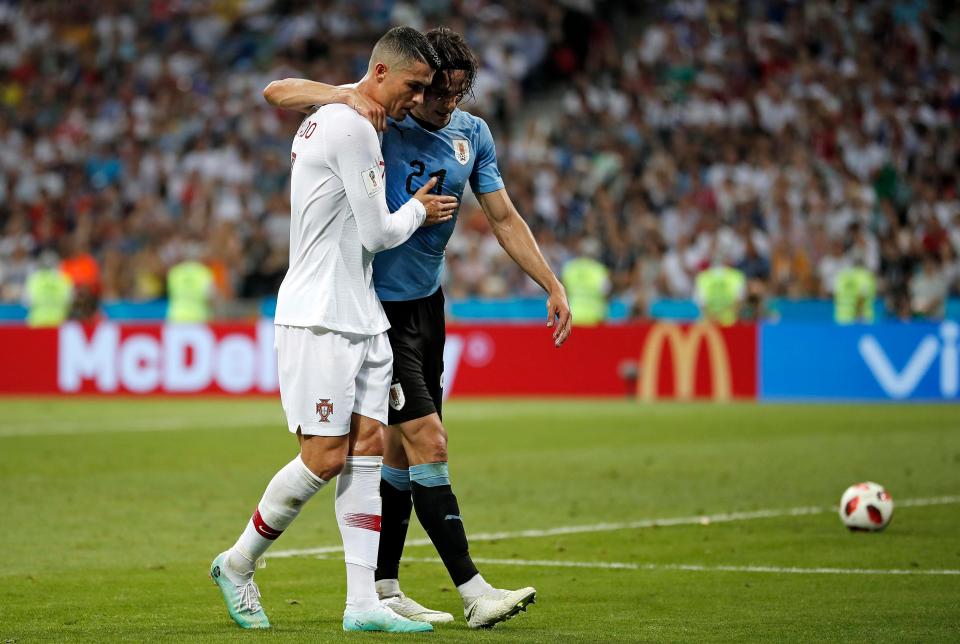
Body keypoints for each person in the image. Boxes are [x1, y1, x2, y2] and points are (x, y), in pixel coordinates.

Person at [263, 26, 571, 629]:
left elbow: (504, 218)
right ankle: (474, 591)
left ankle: (383, 587)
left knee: (402, 457)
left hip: (429, 307)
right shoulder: (378, 113)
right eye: (434, 93)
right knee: (428, 439)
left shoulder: (471, 135)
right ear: (415, 81)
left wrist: (551, 282)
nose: (442, 104)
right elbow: (278, 90)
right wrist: (343, 93)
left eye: (455, 94)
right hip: (377, 309)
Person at [210, 27, 458, 634]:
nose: (418, 100)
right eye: (413, 87)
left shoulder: (351, 109)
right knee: (324, 456)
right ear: (379, 73)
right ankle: (237, 562)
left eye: (427, 89)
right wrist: (420, 211)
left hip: (363, 315)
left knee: (369, 451)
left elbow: (288, 91)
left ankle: (362, 605)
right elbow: (377, 232)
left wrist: (345, 95)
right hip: (318, 314)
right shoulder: (350, 124)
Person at [562, 237, 610, 326]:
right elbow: (606, 293)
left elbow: (563, 292)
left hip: (573, 316)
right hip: (595, 317)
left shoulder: (570, 268)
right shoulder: (600, 270)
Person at [24, 251, 73, 327]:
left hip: (37, 323)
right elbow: (70, 301)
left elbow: (26, 302)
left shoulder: (34, 279)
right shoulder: (64, 279)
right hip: (59, 323)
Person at [694, 258, 746, 326]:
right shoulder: (736, 276)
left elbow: (701, 304)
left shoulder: (703, 278)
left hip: (717, 323)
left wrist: (714, 318)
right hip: (726, 322)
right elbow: (740, 301)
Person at [166, 252, 215, 322]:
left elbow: (170, 292)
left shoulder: (175, 272)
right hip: (199, 318)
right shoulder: (204, 272)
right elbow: (210, 297)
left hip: (176, 317)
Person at [833, 253, 877, 324]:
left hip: (841, 317)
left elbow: (836, 295)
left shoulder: (842, 276)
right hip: (859, 318)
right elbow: (861, 297)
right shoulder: (865, 276)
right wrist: (858, 316)